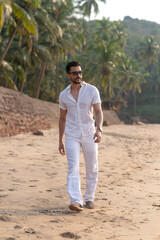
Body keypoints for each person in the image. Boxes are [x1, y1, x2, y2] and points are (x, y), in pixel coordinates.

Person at [58, 61, 103, 212]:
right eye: (75, 73)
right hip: (72, 135)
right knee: (73, 167)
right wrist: (60, 140)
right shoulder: (63, 95)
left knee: (92, 166)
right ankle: (76, 201)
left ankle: (89, 198)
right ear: (68, 75)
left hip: (90, 133)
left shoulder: (91, 90)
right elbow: (62, 118)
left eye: (80, 72)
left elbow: (98, 111)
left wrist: (99, 129)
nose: (78, 75)